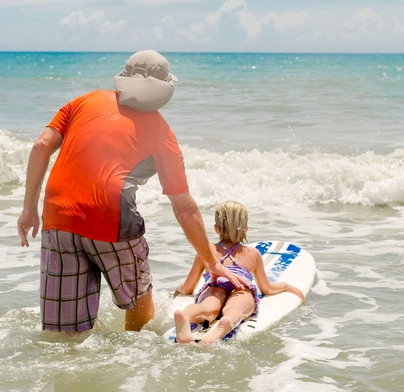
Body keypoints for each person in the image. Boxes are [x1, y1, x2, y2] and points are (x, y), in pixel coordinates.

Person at [17, 51, 247, 335]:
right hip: (113, 220)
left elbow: (41, 146)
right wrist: (213, 263)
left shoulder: (82, 101)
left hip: (58, 217)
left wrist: (29, 209)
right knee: (139, 324)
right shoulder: (161, 132)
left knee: (66, 335)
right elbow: (184, 208)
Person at [173, 200, 305, 346]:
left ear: (216, 229)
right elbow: (266, 289)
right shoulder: (253, 254)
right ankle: (226, 322)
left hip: (215, 285)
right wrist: (286, 286)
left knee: (206, 308)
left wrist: (180, 288)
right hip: (241, 287)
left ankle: (185, 315)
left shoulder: (206, 251)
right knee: (235, 308)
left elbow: (188, 288)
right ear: (246, 229)